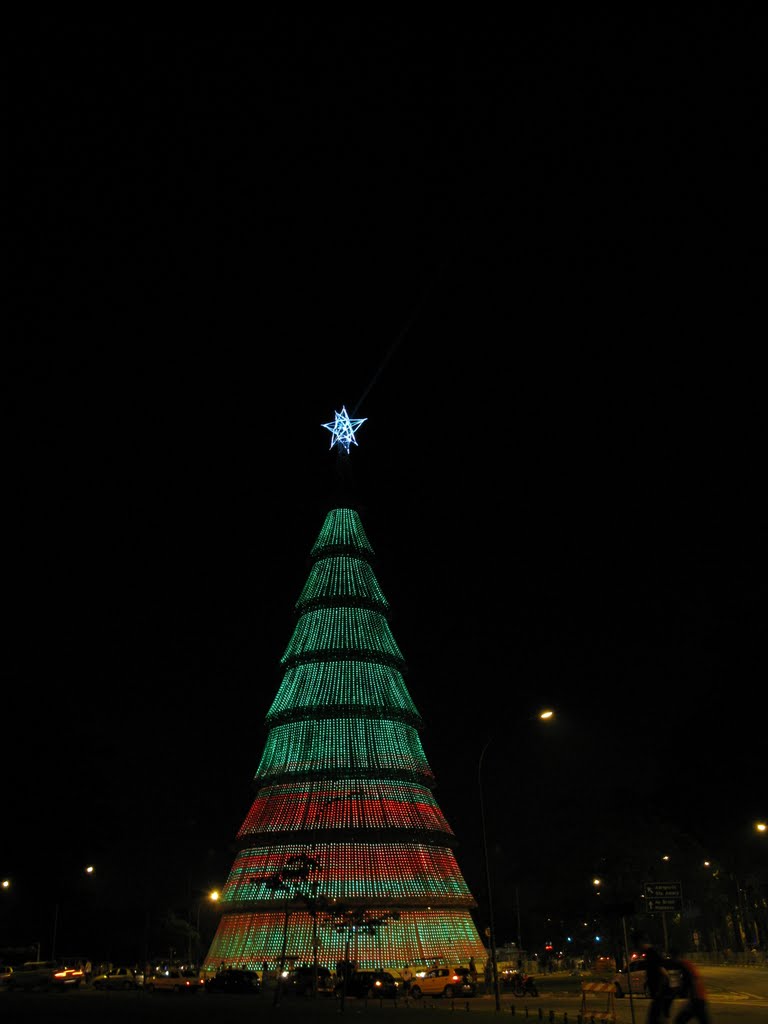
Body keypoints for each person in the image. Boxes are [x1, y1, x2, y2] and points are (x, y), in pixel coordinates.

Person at [670, 952, 711, 1024]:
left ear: (675, 957)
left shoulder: (684, 964)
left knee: (680, 1020)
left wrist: (680, 992)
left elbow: (689, 980)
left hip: (697, 998)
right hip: (698, 997)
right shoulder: (687, 963)